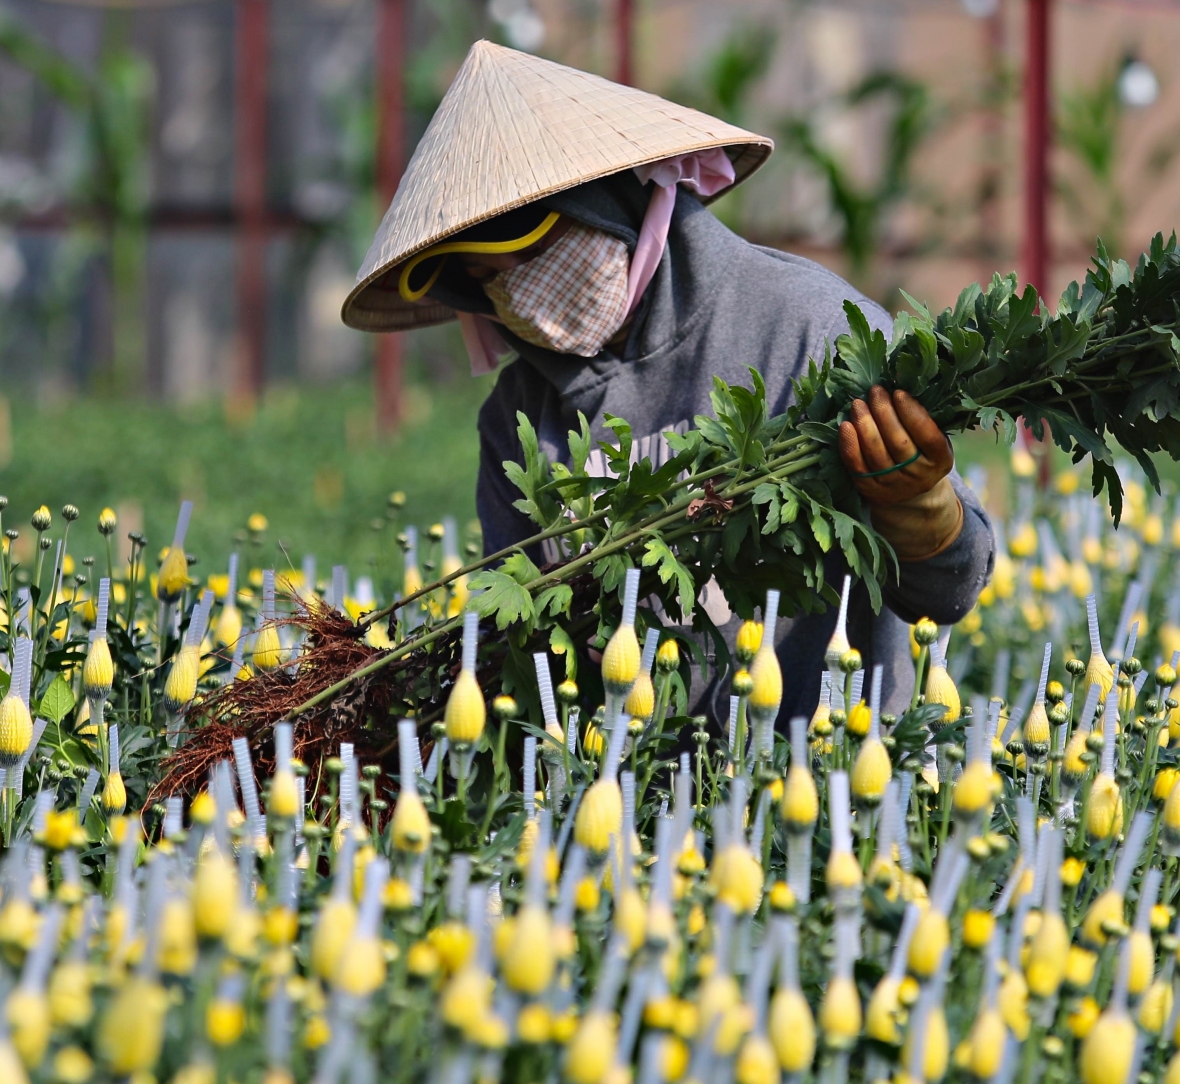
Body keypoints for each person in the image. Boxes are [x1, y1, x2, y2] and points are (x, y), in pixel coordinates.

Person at [343, 41, 994, 732]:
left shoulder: (815, 331)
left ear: (615, 198)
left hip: (828, 780)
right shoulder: (519, 419)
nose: (520, 293)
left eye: (532, 248)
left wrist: (924, 513)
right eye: (487, 278)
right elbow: (529, 655)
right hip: (628, 808)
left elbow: (946, 595)